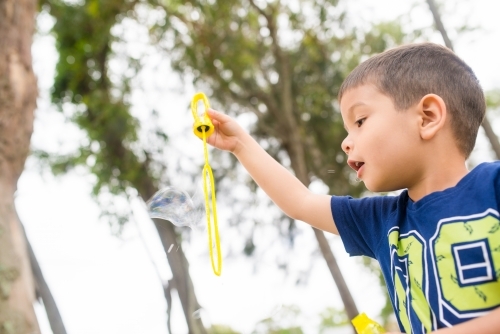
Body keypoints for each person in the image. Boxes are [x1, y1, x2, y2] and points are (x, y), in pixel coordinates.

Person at [203, 42, 500, 333]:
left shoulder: (494, 186)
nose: (346, 142)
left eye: (359, 121)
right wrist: (240, 144)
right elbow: (300, 201)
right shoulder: (381, 222)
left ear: (427, 117)